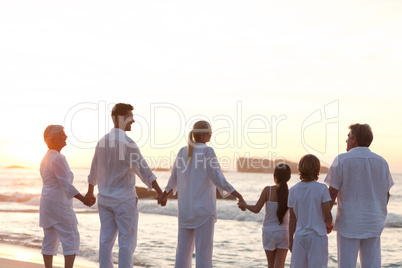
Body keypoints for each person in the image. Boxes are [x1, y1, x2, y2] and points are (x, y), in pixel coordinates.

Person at [158, 120, 245, 268]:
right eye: (210, 133)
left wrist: (164, 196)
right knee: (204, 256)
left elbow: (173, 180)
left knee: (182, 254)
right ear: (204, 135)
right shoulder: (207, 151)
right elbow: (217, 177)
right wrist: (238, 195)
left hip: (185, 211)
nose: (211, 135)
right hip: (204, 212)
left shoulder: (182, 151)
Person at [85, 103, 163, 268]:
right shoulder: (128, 143)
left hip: (105, 200)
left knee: (105, 241)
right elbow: (143, 169)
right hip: (124, 201)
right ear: (120, 118)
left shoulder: (102, 141)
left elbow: (94, 170)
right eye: (130, 117)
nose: (133, 121)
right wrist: (159, 191)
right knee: (126, 242)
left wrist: (90, 191)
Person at [324, 123, 394, 268]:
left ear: (354, 139)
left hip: (349, 223)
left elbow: (332, 192)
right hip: (374, 223)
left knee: (346, 265)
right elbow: (386, 194)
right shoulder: (382, 162)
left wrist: (326, 220)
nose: (346, 141)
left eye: (348, 137)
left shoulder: (342, 160)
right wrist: (377, 213)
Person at [40, 125, 95, 268]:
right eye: (62, 134)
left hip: (47, 202)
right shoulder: (57, 158)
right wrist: (83, 199)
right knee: (71, 237)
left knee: (50, 237)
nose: (66, 137)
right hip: (59, 203)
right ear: (52, 140)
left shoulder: (46, 157)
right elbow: (66, 185)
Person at [238, 163, 291, 268]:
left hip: (269, 232)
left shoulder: (268, 190)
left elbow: (256, 209)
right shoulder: (290, 193)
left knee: (271, 265)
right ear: (289, 178)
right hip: (284, 232)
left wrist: (244, 205)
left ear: (274, 176)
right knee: (280, 266)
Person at [288, 154, 333, 268]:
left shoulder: (293, 190)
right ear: (317, 170)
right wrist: (329, 225)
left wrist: (290, 240)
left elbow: (292, 219)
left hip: (300, 236)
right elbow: (327, 216)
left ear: (300, 169)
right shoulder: (322, 188)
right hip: (317, 236)